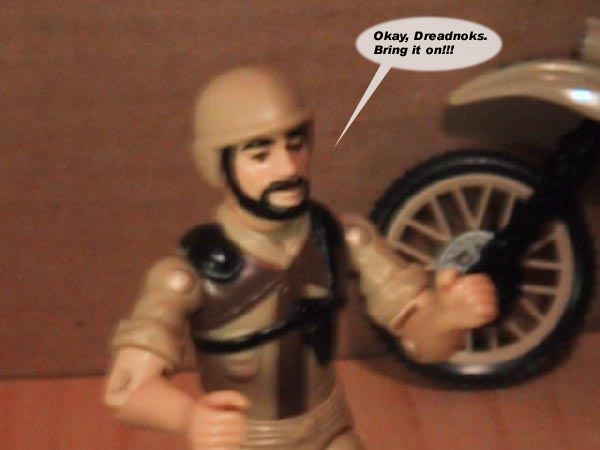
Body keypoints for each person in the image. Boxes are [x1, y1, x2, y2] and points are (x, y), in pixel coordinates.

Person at [104, 66, 497, 450]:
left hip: (329, 432)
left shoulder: (342, 239)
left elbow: (422, 341)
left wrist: (448, 317)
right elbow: (126, 390)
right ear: (217, 165)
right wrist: (189, 418)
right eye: (261, 155)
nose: (288, 168)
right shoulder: (188, 275)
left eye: (295, 146)